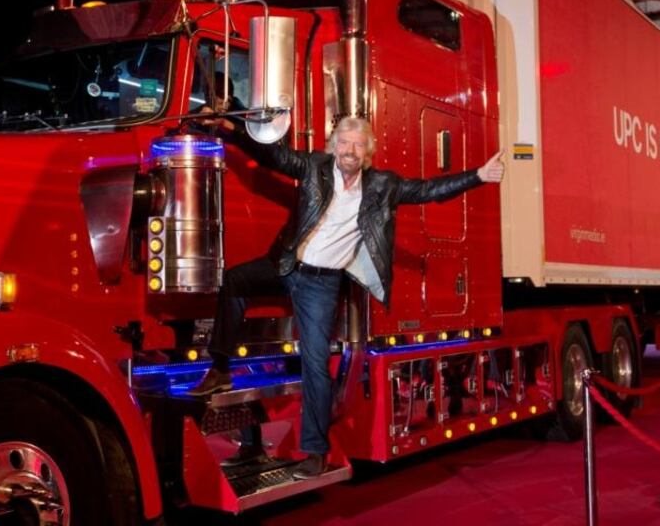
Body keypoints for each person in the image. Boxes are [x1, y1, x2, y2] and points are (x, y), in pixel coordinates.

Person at [187, 115, 505, 478]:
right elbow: (272, 156)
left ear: (368, 152)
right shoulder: (314, 166)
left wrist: (478, 175)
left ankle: (315, 453)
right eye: (344, 143)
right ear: (333, 146)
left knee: (315, 366)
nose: (350, 151)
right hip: (286, 265)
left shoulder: (382, 186)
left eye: (358, 145)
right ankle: (221, 368)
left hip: (321, 285)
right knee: (234, 280)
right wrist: (230, 130)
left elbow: (428, 190)